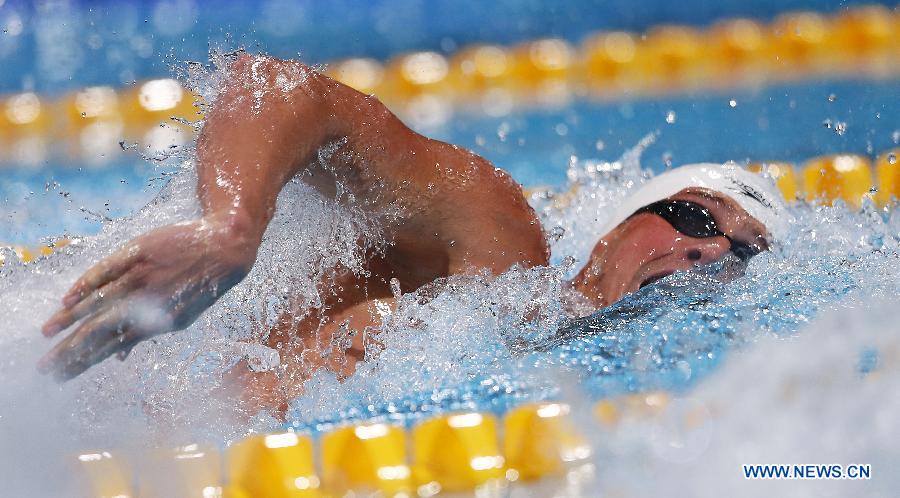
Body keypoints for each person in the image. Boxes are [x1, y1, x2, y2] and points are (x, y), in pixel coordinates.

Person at [38, 54, 786, 413]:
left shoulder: (607, 400)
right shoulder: (497, 243)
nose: (714, 250)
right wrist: (231, 228)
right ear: (613, 231)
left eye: (744, 252)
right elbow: (281, 88)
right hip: (58, 351)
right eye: (695, 216)